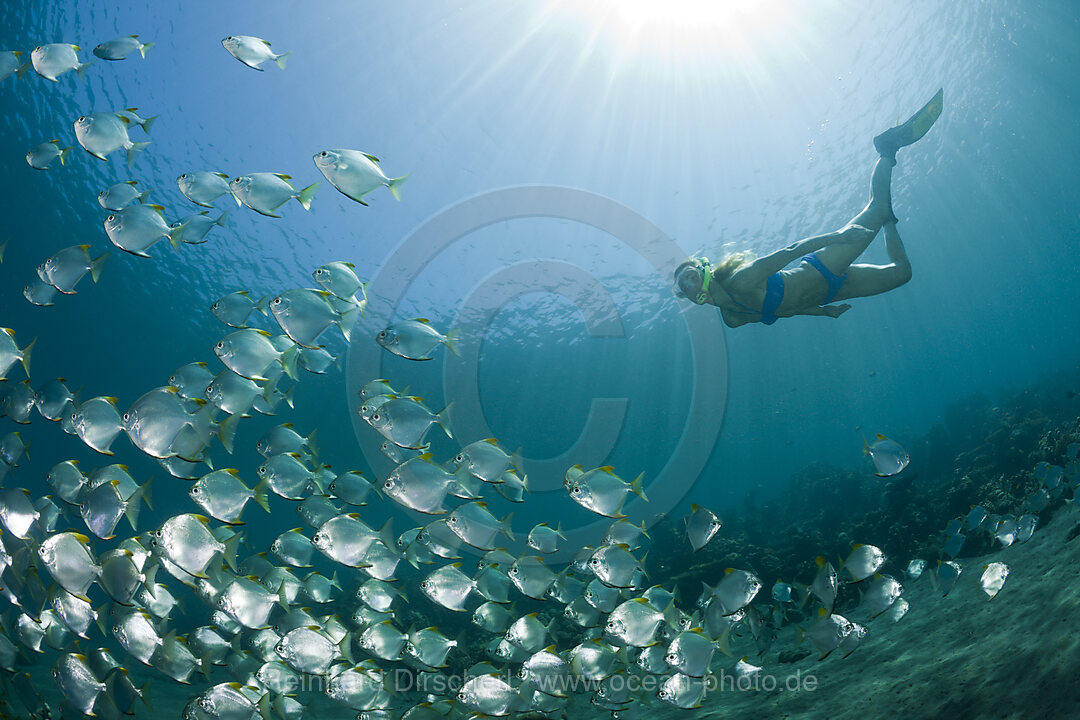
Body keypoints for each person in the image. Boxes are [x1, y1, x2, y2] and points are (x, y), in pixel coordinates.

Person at [673, 89, 943, 328]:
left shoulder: (742, 279)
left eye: (688, 277)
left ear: (703, 269)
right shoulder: (733, 319)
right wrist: (823, 313)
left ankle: (887, 148)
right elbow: (785, 310)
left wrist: (840, 237)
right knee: (903, 274)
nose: (687, 286)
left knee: (877, 205)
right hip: (832, 293)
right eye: (683, 288)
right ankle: (889, 220)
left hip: (824, 267)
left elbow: (792, 250)